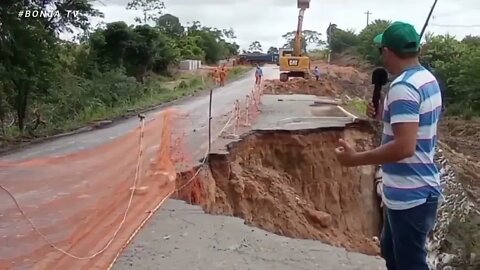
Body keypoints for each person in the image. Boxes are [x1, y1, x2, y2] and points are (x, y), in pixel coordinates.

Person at [334, 21, 442, 270]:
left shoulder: (403, 88)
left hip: (410, 194)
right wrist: (385, 112)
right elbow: (420, 122)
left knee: (410, 264)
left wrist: (354, 159)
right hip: (412, 191)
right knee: (392, 254)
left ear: (386, 51)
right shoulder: (427, 79)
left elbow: (405, 147)